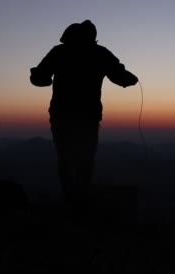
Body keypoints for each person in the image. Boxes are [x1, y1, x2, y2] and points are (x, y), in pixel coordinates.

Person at [30, 20, 138, 213]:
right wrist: (131, 79)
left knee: (65, 159)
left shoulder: (59, 52)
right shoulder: (99, 53)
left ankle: (69, 201)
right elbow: (119, 75)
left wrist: (44, 79)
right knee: (85, 160)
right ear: (92, 37)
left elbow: (38, 78)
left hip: (61, 115)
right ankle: (81, 202)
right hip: (88, 117)